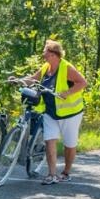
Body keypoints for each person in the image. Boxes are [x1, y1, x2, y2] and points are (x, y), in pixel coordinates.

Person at [35, 39, 87, 185]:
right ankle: (52, 174)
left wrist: (68, 92)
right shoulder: (46, 67)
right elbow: (34, 79)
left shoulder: (66, 68)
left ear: (54, 54)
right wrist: (19, 80)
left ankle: (66, 172)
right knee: (49, 140)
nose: (43, 53)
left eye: (45, 51)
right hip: (51, 112)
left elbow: (83, 82)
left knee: (69, 145)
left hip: (70, 113)